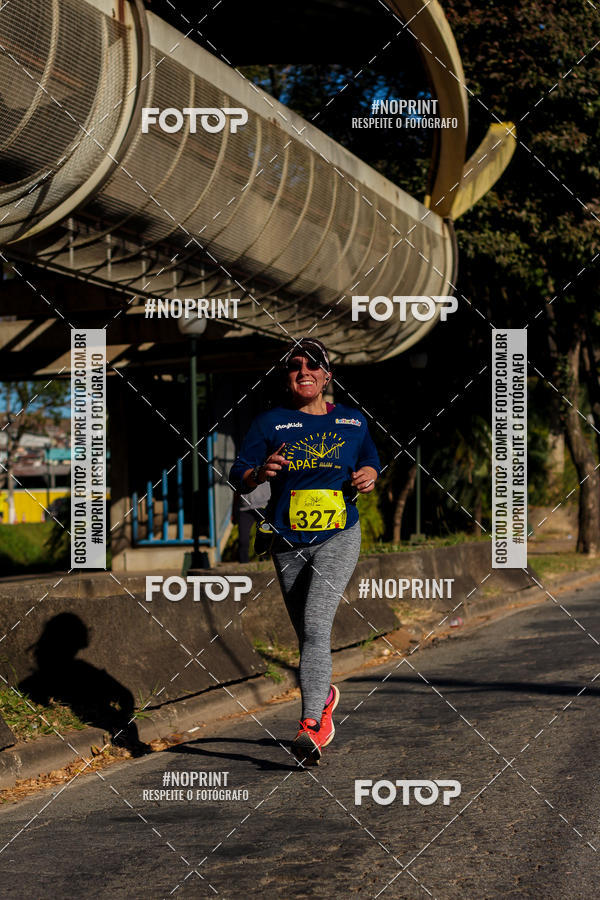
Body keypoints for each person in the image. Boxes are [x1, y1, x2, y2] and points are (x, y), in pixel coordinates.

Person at [229, 338, 380, 765]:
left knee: (315, 625)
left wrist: (368, 474)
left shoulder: (353, 422)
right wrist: (259, 472)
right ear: (287, 378)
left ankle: (311, 724)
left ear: (327, 376)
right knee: (307, 634)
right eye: (295, 366)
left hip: (338, 534)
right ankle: (324, 694)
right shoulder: (270, 423)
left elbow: (371, 462)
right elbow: (238, 474)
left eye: (313, 365)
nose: (304, 371)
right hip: (286, 541)